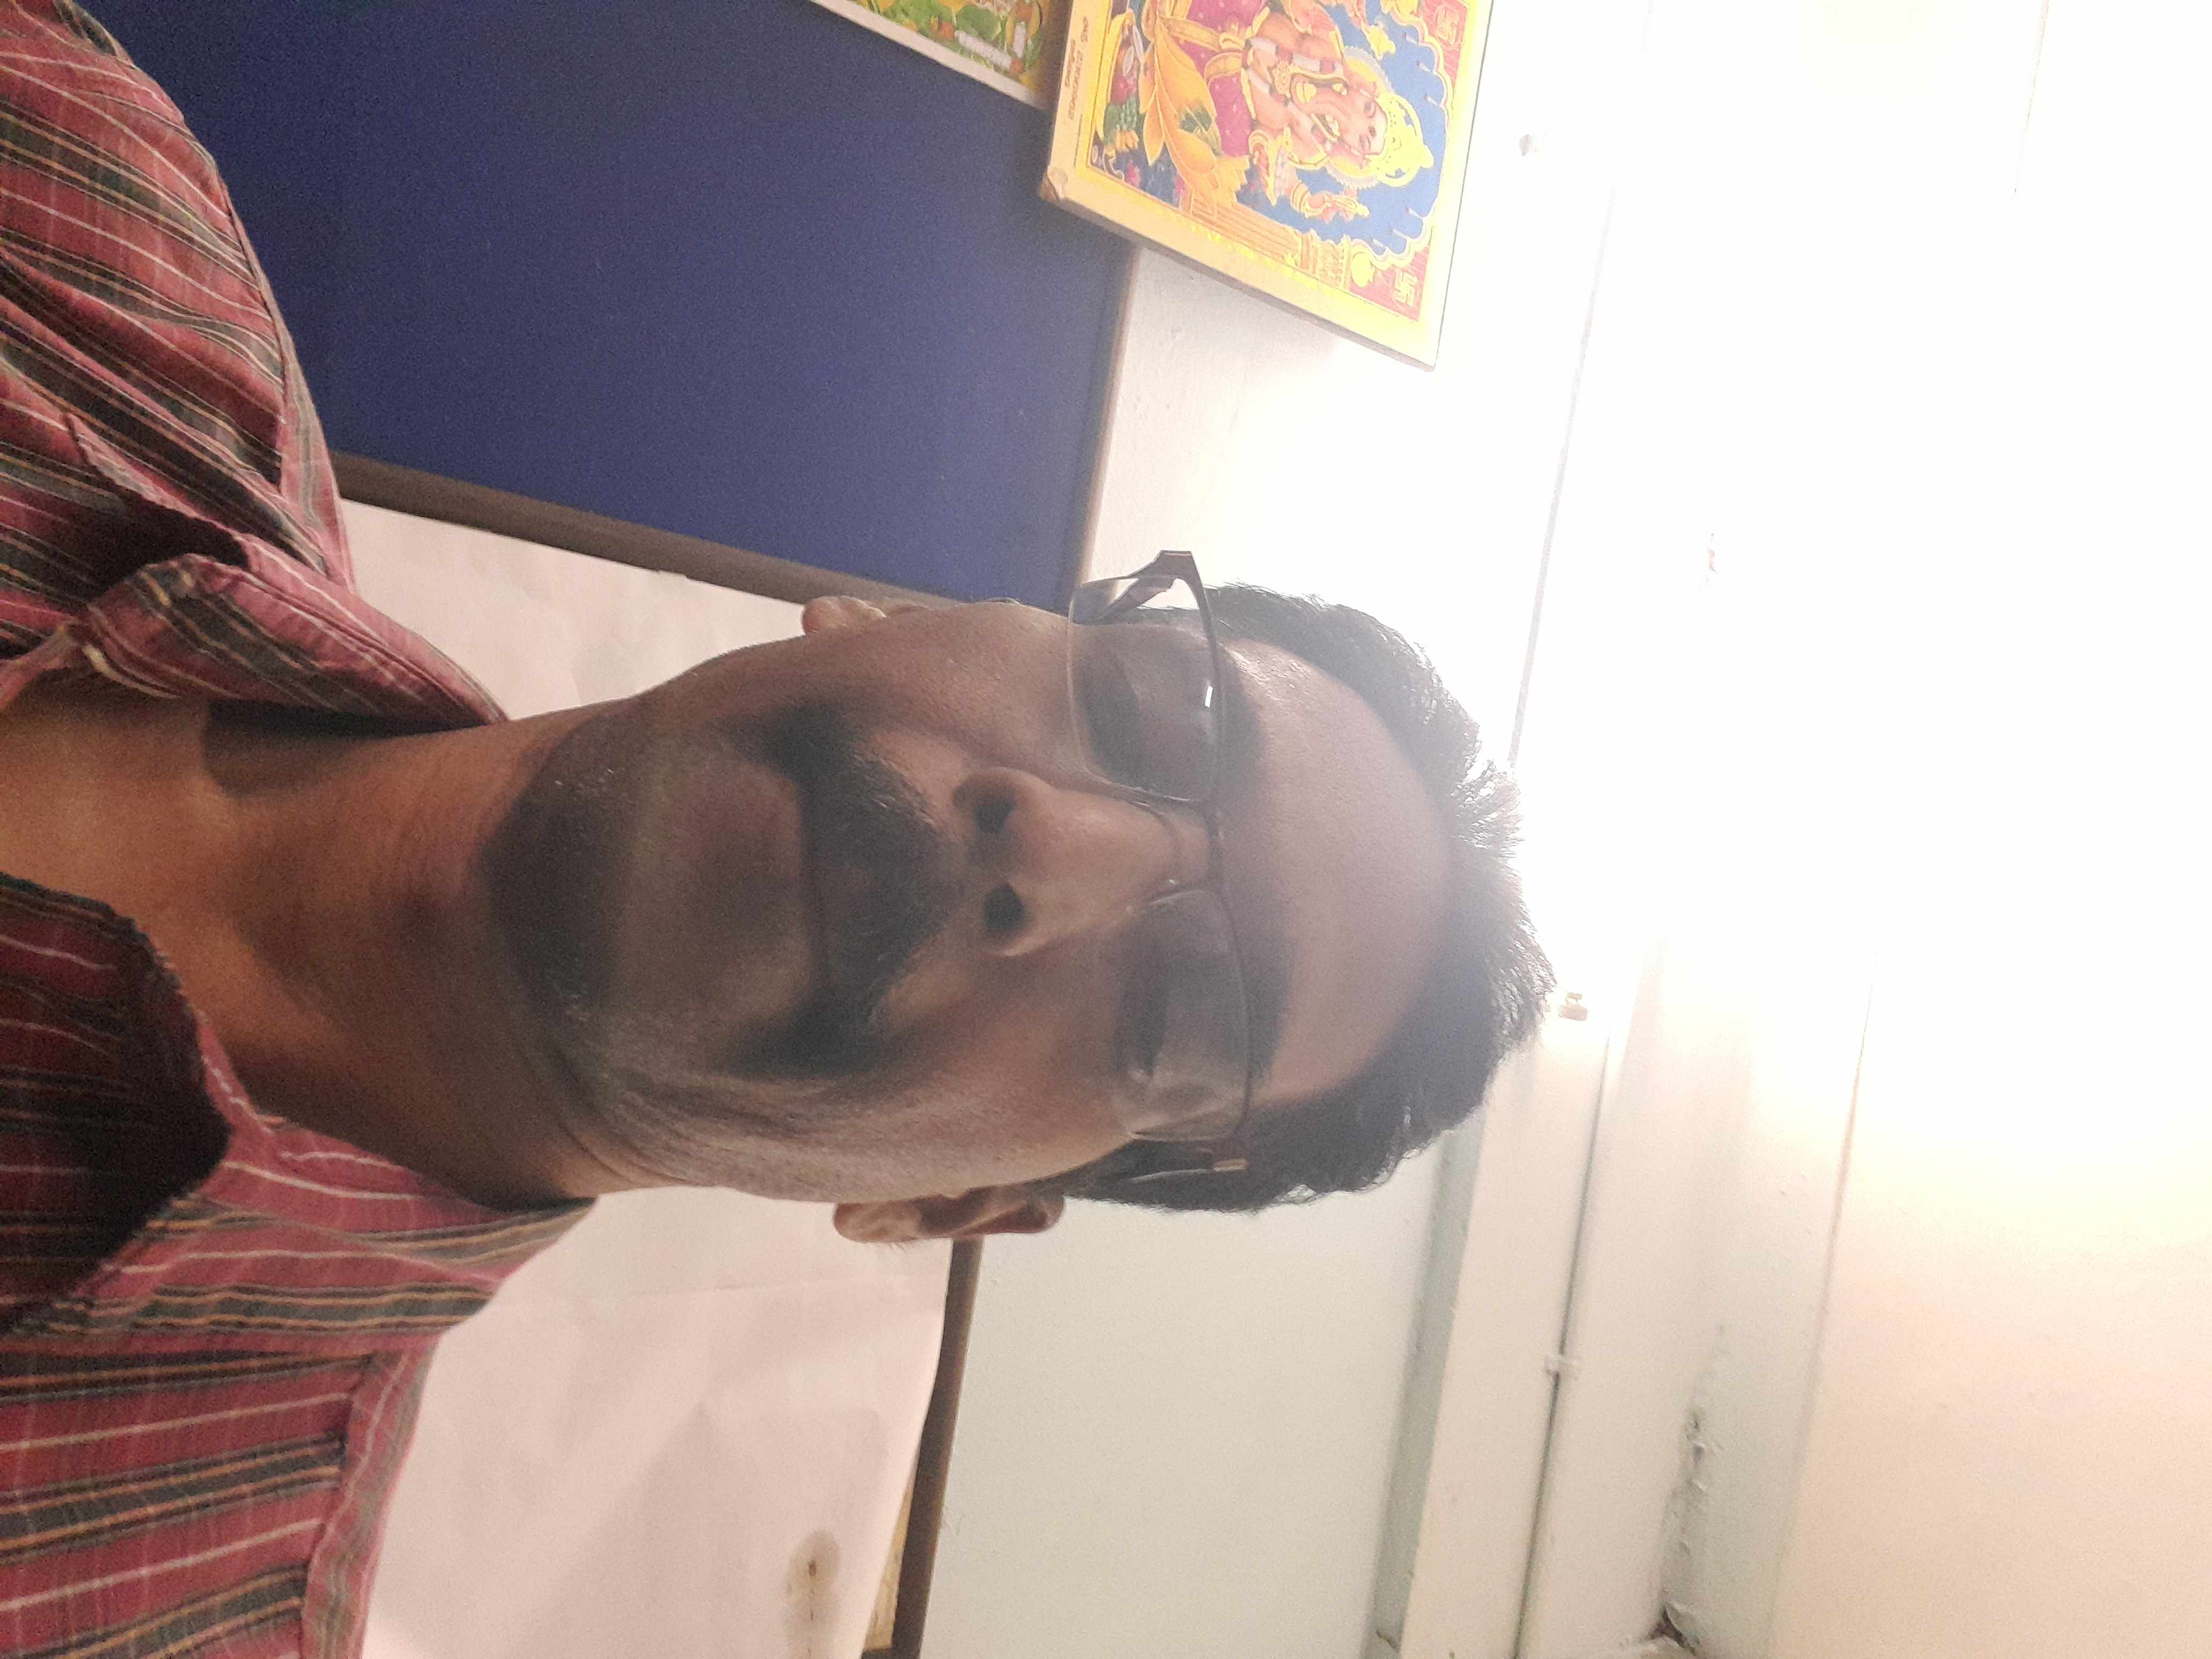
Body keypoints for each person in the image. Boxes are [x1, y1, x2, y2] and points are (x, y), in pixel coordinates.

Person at [0, 2, 1550, 1654]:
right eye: (1149, 708)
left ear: (954, 1210)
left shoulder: (143, 1609)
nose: (1057, 851)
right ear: (893, 614)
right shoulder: (88, 231)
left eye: (1179, 1013)